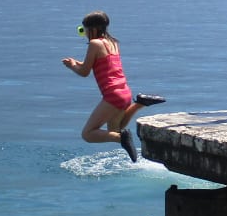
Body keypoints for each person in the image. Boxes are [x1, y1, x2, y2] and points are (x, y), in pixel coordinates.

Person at [62, 11, 165, 161]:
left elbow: (84, 72)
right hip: (124, 91)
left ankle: (121, 139)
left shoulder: (95, 44)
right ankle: (140, 103)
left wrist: (72, 66)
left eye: (84, 30)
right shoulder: (113, 43)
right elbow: (97, 64)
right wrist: (75, 62)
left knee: (88, 134)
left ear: (93, 29)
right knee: (115, 129)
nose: (84, 34)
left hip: (112, 95)